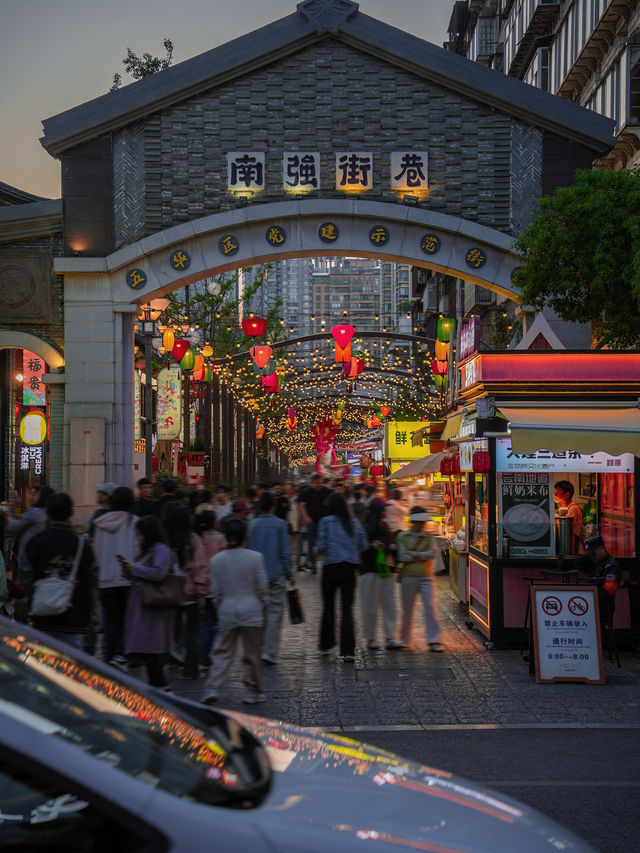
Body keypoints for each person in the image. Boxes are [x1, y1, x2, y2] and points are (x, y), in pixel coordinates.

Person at [201, 517, 268, 706]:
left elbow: (216, 591)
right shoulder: (255, 558)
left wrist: (219, 607)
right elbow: (262, 587)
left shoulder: (216, 561)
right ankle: (253, 691)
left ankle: (212, 686)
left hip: (227, 610)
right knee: (252, 654)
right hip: (252, 610)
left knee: (222, 652)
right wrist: (263, 605)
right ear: (244, 537)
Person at [25, 492, 98, 650]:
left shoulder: (36, 542)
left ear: (48, 512)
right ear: (71, 512)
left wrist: (24, 608)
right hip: (74, 617)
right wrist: (95, 610)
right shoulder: (81, 545)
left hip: (42, 617)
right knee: (72, 668)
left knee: (44, 666)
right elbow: (92, 579)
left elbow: (26, 578)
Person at [118, 515, 174, 689]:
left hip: (152, 605)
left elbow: (158, 572)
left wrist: (134, 567)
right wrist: (127, 569)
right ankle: (156, 684)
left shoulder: (160, 550)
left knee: (151, 645)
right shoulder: (149, 551)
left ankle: (160, 685)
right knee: (147, 644)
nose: (139, 538)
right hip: (143, 604)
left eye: (141, 534)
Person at [316, 492, 368, 662]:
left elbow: (320, 547)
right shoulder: (353, 523)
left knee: (328, 607)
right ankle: (347, 651)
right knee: (347, 610)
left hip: (330, 569)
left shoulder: (326, 522)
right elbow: (364, 544)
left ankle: (326, 644)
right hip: (349, 571)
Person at [92, 486, 137, 664]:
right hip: (127, 578)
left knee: (110, 620)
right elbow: (137, 550)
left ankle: (109, 653)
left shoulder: (100, 523)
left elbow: (96, 551)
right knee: (127, 618)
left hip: (106, 578)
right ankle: (122, 652)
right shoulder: (134, 522)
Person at [163, 501, 208, 680]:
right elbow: (200, 567)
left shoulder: (166, 539)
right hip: (190, 591)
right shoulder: (193, 539)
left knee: (173, 628)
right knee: (192, 630)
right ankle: (190, 668)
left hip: (171, 591)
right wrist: (202, 591)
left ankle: (173, 660)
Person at [248, 491, 293, 665]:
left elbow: (249, 549)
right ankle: (270, 651)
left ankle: (260, 647)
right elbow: (285, 551)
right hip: (276, 573)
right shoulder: (280, 524)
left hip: (257, 575)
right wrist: (289, 572)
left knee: (261, 612)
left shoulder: (252, 525)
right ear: (273, 506)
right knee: (275, 613)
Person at [396, 507, 443, 652]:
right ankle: (404, 639)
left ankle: (433, 640)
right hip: (408, 576)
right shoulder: (402, 537)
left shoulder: (428, 536)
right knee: (407, 609)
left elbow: (432, 553)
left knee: (429, 607)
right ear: (413, 521)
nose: (422, 524)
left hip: (426, 576)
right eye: (419, 522)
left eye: (423, 522)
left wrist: (414, 554)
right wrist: (422, 556)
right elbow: (402, 556)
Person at [361, 497, 403, 651]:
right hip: (370, 571)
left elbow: (391, 544)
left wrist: (391, 546)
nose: (387, 511)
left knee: (389, 604)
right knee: (370, 606)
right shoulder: (366, 528)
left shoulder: (385, 525)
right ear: (378, 511)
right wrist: (372, 546)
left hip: (386, 571)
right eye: (384, 509)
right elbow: (360, 548)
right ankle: (371, 638)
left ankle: (390, 637)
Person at [0, 486, 54, 590]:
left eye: (35, 494)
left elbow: (15, 526)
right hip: (40, 557)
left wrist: (6, 515)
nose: (31, 496)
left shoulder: (35, 512)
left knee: (22, 587)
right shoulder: (47, 513)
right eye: (32, 494)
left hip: (26, 556)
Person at [193, 510, 226, 668]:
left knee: (204, 624)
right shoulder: (219, 538)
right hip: (217, 587)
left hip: (201, 588)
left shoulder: (196, 538)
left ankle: (202, 659)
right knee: (216, 624)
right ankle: (213, 655)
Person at [579, 535, 621, 629]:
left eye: (593, 554)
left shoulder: (611, 566)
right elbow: (577, 564)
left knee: (603, 638)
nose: (591, 558)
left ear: (602, 549)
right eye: (589, 556)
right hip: (591, 606)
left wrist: (589, 596)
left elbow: (609, 590)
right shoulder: (595, 563)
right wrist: (586, 556)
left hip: (604, 609)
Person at [299, 474, 331, 573]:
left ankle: (327, 563)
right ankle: (313, 566)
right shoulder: (307, 492)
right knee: (311, 544)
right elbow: (302, 505)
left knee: (326, 543)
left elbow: (332, 503)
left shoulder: (327, 491)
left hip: (324, 523)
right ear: (312, 483)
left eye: (320, 482)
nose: (319, 484)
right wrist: (306, 517)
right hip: (312, 522)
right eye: (317, 483)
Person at [554, 480, 583, 554]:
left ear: (567, 495)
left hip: (572, 548)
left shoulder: (573, 508)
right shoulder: (565, 508)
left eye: (557, 493)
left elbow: (567, 529)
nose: (555, 495)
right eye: (554, 493)